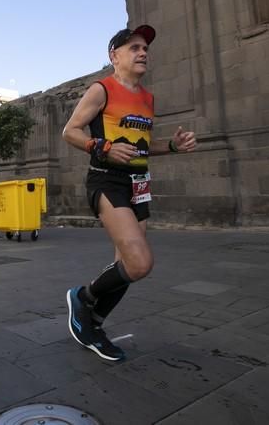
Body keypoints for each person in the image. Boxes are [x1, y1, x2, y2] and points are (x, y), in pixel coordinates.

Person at [61, 25, 196, 361]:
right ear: (114, 56)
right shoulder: (101, 89)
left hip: (138, 184)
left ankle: (93, 324)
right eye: (134, 47)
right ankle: (83, 296)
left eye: (145, 48)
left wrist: (171, 147)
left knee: (128, 268)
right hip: (107, 180)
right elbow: (70, 132)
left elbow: (140, 150)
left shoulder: (147, 98)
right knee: (140, 262)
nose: (142, 52)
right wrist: (101, 145)